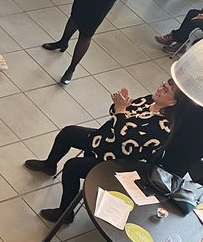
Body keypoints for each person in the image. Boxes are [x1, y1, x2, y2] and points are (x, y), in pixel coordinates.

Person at [25, 76, 179, 223]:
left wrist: (121, 110)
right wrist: (120, 106)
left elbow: (125, 139)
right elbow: (116, 114)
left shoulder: (162, 128)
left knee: (72, 167)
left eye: (165, 91)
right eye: (162, 85)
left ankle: (65, 213)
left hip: (118, 160)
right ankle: (49, 165)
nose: (159, 89)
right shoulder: (148, 100)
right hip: (105, 140)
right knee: (68, 133)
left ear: (173, 103)